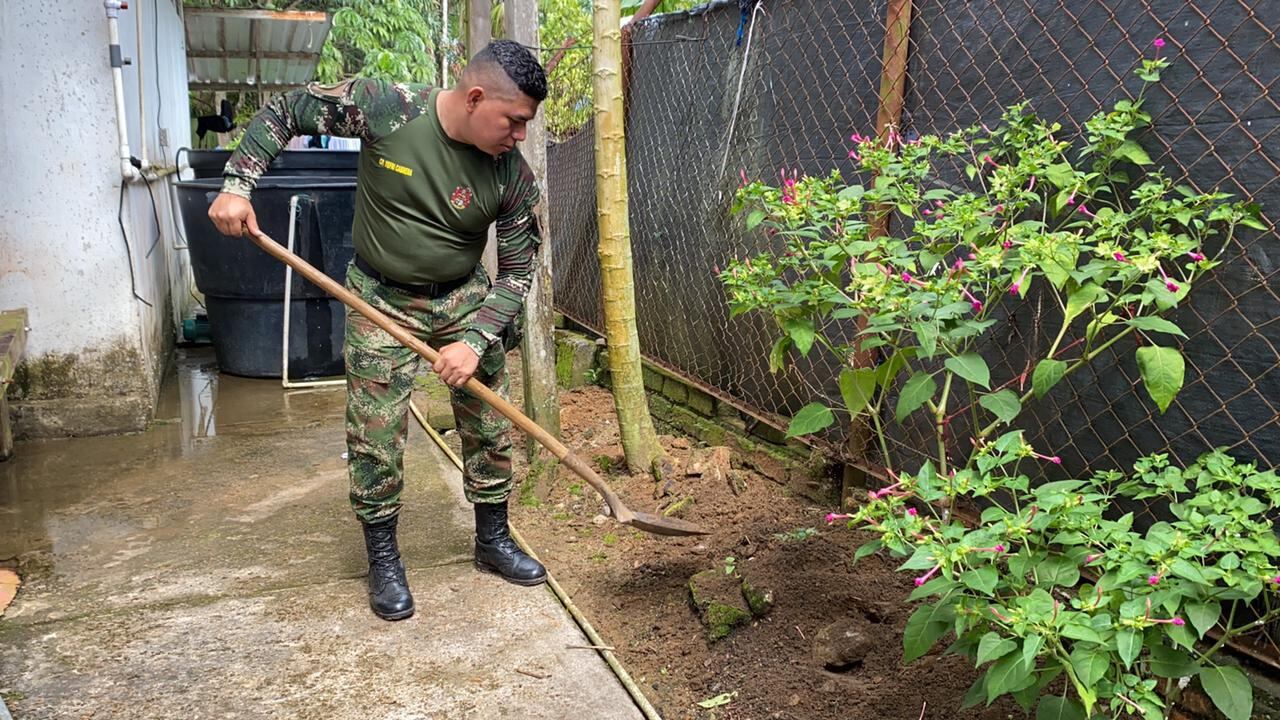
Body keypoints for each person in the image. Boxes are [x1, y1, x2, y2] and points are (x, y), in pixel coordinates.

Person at [208, 40, 549, 621]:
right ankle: (385, 560)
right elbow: (289, 110)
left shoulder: (512, 177)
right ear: (473, 97)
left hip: (464, 299)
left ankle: (492, 539)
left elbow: (518, 273)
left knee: (490, 423)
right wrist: (239, 184)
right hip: (379, 299)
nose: (519, 135)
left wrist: (474, 341)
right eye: (514, 121)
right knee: (375, 435)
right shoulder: (386, 106)